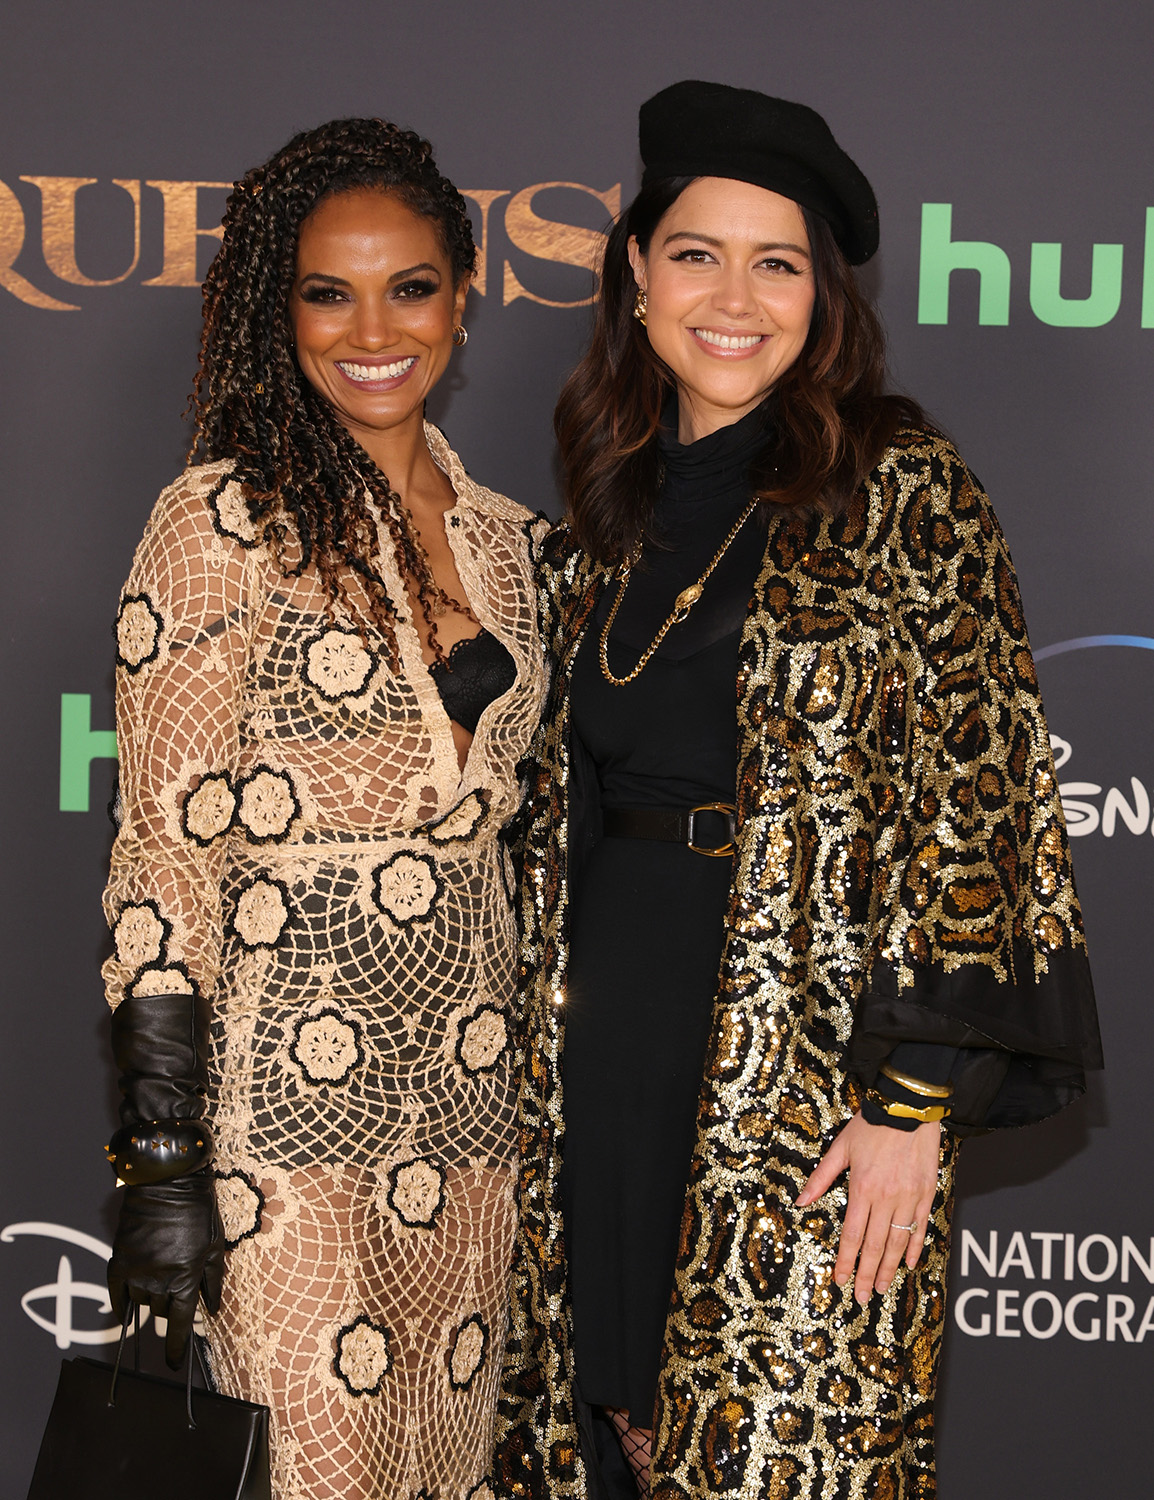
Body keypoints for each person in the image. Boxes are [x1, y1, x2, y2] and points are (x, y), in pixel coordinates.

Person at [493, 81, 1101, 1500]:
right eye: (697, 252)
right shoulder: (602, 511)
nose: (734, 298)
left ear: (823, 303)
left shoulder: (903, 487)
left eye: (779, 265)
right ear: (635, 273)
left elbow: (982, 797)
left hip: (808, 1070)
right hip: (608, 1058)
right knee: (623, 1441)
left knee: (790, 1456)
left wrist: (909, 1106)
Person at [101, 117, 545, 1500]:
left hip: (471, 1116)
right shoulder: (216, 522)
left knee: (446, 1471)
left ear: (460, 297)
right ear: (272, 311)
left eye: (408, 286)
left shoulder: (514, 542)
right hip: (279, 1129)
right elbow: (162, 856)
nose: (372, 329)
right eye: (325, 290)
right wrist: (163, 1165)